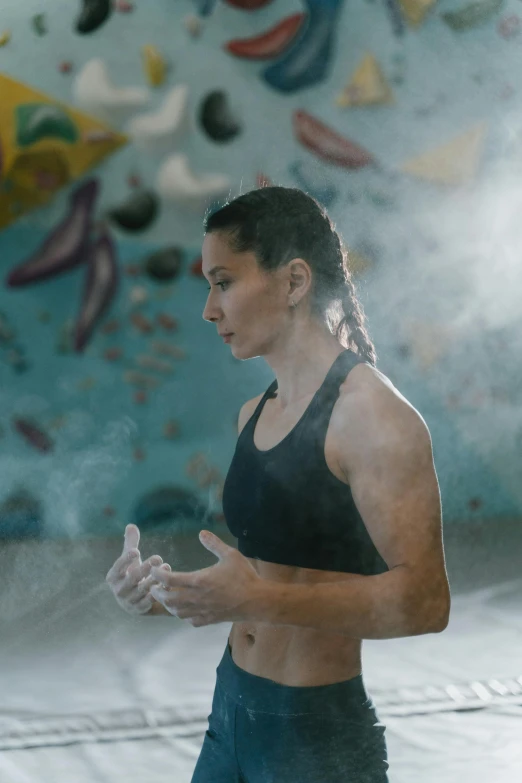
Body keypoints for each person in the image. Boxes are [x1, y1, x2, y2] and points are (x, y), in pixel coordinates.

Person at [106, 187, 451, 782]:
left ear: (294, 282)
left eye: (224, 282)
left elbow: (426, 604)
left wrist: (257, 599)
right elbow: (266, 582)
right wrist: (172, 595)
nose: (209, 310)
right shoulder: (255, 413)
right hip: (230, 712)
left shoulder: (373, 417)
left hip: (317, 741)